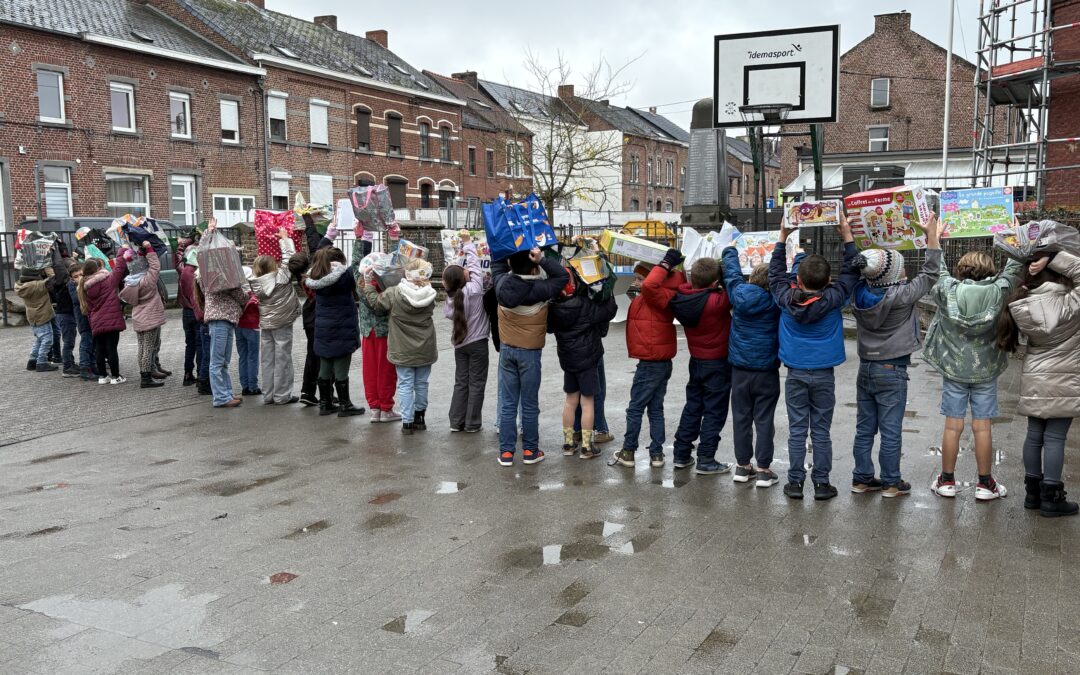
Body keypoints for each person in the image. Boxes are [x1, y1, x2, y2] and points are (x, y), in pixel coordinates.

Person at [769, 214, 860, 501]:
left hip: (795, 372)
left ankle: (795, 483)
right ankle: (821, 483)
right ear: (828, 280)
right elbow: (852, 272)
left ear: (797, 279)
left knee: (797, 429)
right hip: (823, 373)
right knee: (821, 430)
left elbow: (775, 274)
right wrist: (847, 236)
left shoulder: (785, 298)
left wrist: (783, 236)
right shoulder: (834, 298)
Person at [849, 215, 941, 498]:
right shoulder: (903, 295)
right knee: (891, 430)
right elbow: (931, 273)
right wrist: (932, 235)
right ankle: (891, 482)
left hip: (866, 367)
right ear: (896, 274)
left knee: (864, 428)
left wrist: (852, 236)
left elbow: (859, 268)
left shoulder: (858, 293)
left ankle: (862, 479)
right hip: (892, 369)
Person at [923, 250, 1023, 501]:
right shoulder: (1000, 291)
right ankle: (985, 483)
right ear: (991, 270)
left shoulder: (948, 290)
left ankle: (947, 480)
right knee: (982, 426)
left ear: (961, 269)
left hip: (954, 370)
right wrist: (1016, 240)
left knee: (952, 425)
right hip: (986, 371)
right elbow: (1014, 269)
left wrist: (933, 238)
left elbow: (937, 269)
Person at [997, 250, 1080, 517]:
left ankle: (1032, 493)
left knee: (1034, 435)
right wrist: (1054, 256)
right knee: (1055, 437)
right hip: (1064, 378)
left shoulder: (1025, 302)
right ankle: (1052, 498)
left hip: (1035, 375)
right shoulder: (1070, 303)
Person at [492, 247, 569, 466]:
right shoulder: (541, 288)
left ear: (510, 263)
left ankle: (506, 453)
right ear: (533, 265)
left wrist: (505, 247)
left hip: (507, 351)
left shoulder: (501, 285)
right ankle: (530, 451)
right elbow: (562, 276)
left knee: (508, 403)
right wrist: (542, 259)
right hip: (531, 354)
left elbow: (497, 265)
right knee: (529, 404)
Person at [614, 254, 685, 468]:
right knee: (655, 408)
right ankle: (656, 454)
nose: (636, 283)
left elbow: (650, 284)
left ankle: (628, 451)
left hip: (651, 361)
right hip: (659, 360)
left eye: (639, 278)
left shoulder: (655, 293)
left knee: (635, 408)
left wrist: (664, 264)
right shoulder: (656, 294)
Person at [720, 246, 782, 488]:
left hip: (740, 370)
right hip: (766, 370)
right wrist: (796, 256)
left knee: (741, 418)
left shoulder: (739, 294)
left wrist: (730, 251)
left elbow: (731, 274)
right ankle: (764, 469)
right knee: (764, 419)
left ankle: (742, 466)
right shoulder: (776, 300)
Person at [668, 255, 733, 475]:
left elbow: (690, 285)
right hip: (717, 362)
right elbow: (733, 289)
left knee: (693, 406)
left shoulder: (682, 297)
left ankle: (681, 453)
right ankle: (706, 458)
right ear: (715, 283)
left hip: (696, 360)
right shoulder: (717, 302)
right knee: (715, 411)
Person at [548, 269, 618, 459]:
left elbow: (549, 328)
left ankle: (569, 443)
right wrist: (607, 291)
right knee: (587, 402)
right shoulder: (585, 305)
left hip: (568, 361)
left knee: (570, 401)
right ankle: (587, 447)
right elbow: (609, 311)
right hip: (587, 361)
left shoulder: (553, 307)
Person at [364, 258, 437, 434]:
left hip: (401, 347)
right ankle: (420, 418)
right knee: (421, 383)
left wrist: (368, 284)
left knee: (405, 384)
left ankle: (407, 423)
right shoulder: (430, 294)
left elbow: (375, 303)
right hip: (425, 346)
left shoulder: (394, 293)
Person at [305, 246, 364, 417]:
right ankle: (345, 405)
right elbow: (358, 263)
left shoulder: (315, 275)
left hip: (323, 331)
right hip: (342, 330)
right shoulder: (344, 277)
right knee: (341, 367)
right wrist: (361, 240)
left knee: (325, 366)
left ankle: (325, 403)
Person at [442, 233, 490, 432]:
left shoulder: (450, 300)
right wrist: (468, 243)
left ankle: (456, 422)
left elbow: (457, 279)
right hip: (478, 343)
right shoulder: (475, 290)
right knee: (476, 383)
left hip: (460, 344)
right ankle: (472, 423)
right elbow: (475, 265)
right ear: (464, 276)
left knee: (461, 382)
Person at [198, 219, 248, 408]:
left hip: (226, 319)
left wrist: (209, 232)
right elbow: (239, 295)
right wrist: (247, 298)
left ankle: (226, 393)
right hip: (220, 319)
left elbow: (202, 250)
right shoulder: (219, 276)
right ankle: (220, 397)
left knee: (223, 360)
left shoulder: (207, 273)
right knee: (218, 361)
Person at [252, 228, 301, 405]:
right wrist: (285, 239)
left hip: (266, 323)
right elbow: (290, 259)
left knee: (267, 359)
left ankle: (268, 394)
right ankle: (282, 395)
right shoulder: (281, 278)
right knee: (283, 358)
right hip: (283, 322)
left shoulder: (255, 283)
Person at [118, 242, 168, 389]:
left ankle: (144, 374)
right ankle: (146, 377)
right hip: (150, 317)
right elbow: (155, 266)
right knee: (149, 348)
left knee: (142, 347)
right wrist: (150, 249)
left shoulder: (129, 283)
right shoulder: (147, 281)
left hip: (139, 318)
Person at [79, 252, 130, 384]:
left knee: (99, 349)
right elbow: (119, 268)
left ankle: (102, 376)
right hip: (111, 319)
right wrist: (121, 252)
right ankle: (115, 377)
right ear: (98, 269)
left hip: (96, 321)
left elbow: (88, 307)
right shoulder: (108, 280)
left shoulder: (84, 286)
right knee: (112, 349)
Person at [16, 251, 63, 373]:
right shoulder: (38, 285)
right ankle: (42, 362)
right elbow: (54, 278)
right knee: (47, 338)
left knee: (40, 338)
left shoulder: (22, 285)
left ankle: (32, 360)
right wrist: (47, 266)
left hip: (34, 315)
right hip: (42, 315)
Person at [176, 232, 203, 387]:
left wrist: (184, 243)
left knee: (190, 344)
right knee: (200, 344)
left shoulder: (182, 270)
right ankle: (201, 374)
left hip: (186, 311)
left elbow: (178, 257)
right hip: (197, 311)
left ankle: (187, 374)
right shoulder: (199, 273)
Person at [67, 264, 96, 380]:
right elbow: (76, 299)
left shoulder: (87, 283)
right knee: (86, 343)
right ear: (71, 278)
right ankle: (84, 368)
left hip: (91, 317)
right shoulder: (72, 285)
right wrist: (81, 286)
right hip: (82, 318)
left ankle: (93, 366)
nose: (79, 278)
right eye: (76, 276)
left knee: (92, 343)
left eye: (81, 275)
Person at [54, 258, 79, 378]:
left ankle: (71, 363)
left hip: (67, 313)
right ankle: (67, 367)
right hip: (65, 314)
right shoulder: (66, 283)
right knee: (68, 341)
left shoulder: (64, 282)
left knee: (70, 340)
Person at [235, 282, 261, 396]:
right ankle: (253, 387)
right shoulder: (254, 295)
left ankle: (245, 386)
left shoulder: (237, 294)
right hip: (252, 327)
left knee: (243, 357)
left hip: (238, 326)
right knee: (252, 357)